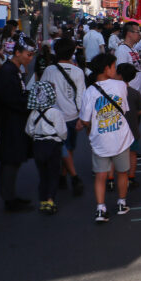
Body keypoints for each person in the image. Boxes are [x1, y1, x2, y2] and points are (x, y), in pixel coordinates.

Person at [80, 54, 133, 223]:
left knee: (100, 175)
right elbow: (124, 109)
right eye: (113, 66)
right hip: (121, 137)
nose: (115, 70)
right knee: (122, 172)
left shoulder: (89, 91)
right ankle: (121, 203)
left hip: (100, 140)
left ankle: (101, 208)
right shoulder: (120, 86)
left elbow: (85, 120)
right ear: (106, 68)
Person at [40, 38, 86, 196]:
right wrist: (82, 117)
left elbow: (43, 93)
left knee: (61, 147)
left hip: (54, 116)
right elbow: (81, 95)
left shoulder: (49, 70)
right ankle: (69, 176)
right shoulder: (78, 71)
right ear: (72, 52)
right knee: (69, 147)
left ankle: (66, 176)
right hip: (73, 115)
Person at [0, 40, 35, 211]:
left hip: (14, 120)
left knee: (13, 160)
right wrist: (30, 102)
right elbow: (10, 98)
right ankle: (9, 199)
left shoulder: (13, 70)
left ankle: (10, 196)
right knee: (11, 159)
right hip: (11, 122)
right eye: (28, 54)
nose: (30, 59)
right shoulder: (8, 71)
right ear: (17, 53)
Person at [25, 81, 67, 215]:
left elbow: (28, 130)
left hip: (38, 145)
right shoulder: (55, 112)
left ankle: (42, 201)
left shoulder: (33, 113)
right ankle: (50, 201)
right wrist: (61, 139)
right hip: (52, 145)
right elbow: (62, 132)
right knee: (54, 174)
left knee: (43, 175)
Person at [116, 63, 141, 189]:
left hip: (116, 129)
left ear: (119, 75)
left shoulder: (114, 92)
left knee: (114, 154)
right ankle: (131, 177)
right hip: (133, 128)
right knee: (133, 153)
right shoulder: (134, 93)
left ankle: (111, 178)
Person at [114, 22, 141, 94]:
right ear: (129, 34)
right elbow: (121, 75)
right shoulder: (122, 50)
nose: (139, 34)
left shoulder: (133, 49)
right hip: (128, 93)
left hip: (136, 92)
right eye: (138, 32)